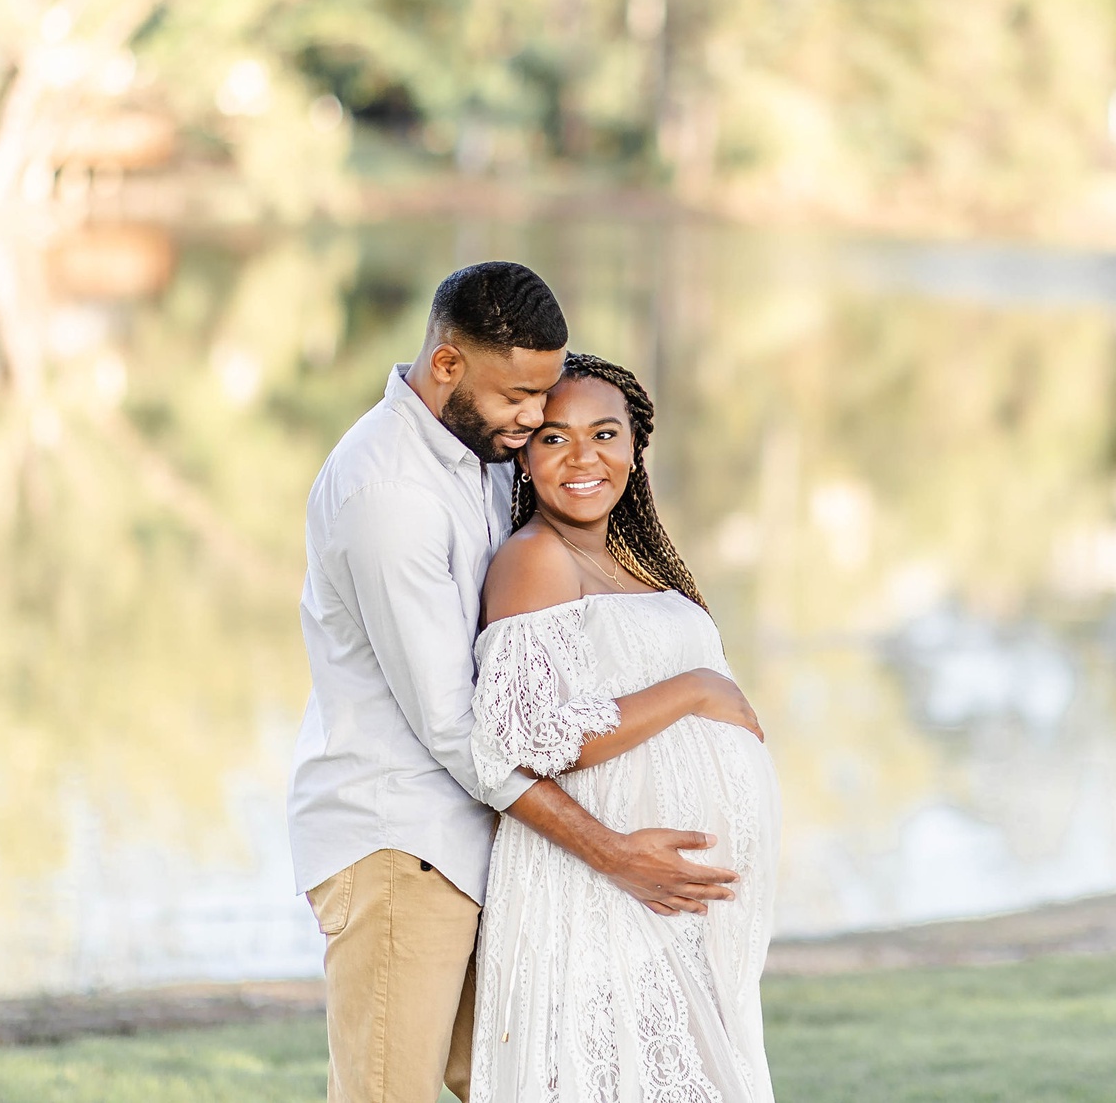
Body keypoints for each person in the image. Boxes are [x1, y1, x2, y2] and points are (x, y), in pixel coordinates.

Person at [289, 265, 739, 1103]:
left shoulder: (478, 456)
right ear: (449, 365)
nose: (535, 419)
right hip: (402, 844)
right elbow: (461, 727)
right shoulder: (390, 494)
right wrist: (614, 854)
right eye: (520, 397)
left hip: (484, 843)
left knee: (524, 1080)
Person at [469, 354, 779, 1103]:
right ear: (524, 456)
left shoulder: (623, 562)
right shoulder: (534, 558)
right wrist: (696, 688)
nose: (583, 457)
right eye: (553, 438)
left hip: (664, 906)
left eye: (605, 433)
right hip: (594, 895)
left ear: (636, 448)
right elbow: (528, 739)